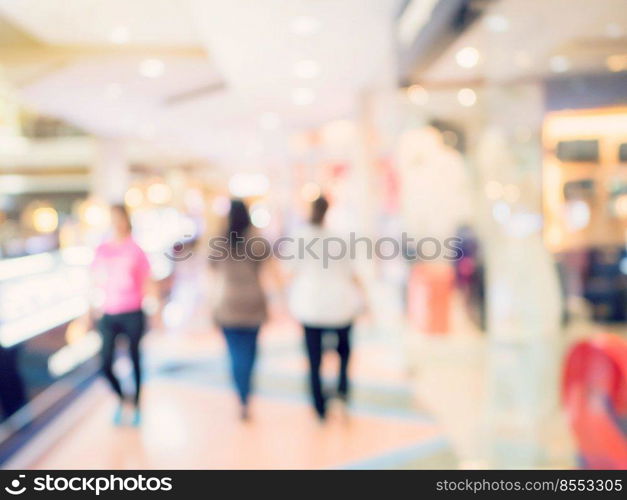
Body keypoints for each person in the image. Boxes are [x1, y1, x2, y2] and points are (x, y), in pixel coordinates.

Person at [287, 195, 363, 420]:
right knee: (344, 352)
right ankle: (341, 390)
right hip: (340, 305)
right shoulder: (339, 239)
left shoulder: (300, 238)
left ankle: (319, 404)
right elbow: (352, 273)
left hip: (311, 307)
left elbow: (290, 270)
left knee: (314, 358)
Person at [210, 199, 274, 421]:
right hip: (253, 301)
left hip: (228, 302)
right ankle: (247, 392)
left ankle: (242, 395)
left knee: (235, 354)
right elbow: (268, 269)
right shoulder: (256, 240)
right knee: (250, 352)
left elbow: (211, 273)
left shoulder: (220, 241)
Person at [91, 204, 151, 426]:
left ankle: (136, 404)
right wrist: (89, 312)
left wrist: (154, 310)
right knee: (105, 363)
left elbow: (147, 280)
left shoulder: (135, 250)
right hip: (109, 312)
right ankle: (121, 397)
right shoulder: (102, 249)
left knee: (135, 359)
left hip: (133, 311)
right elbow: (94, 280)